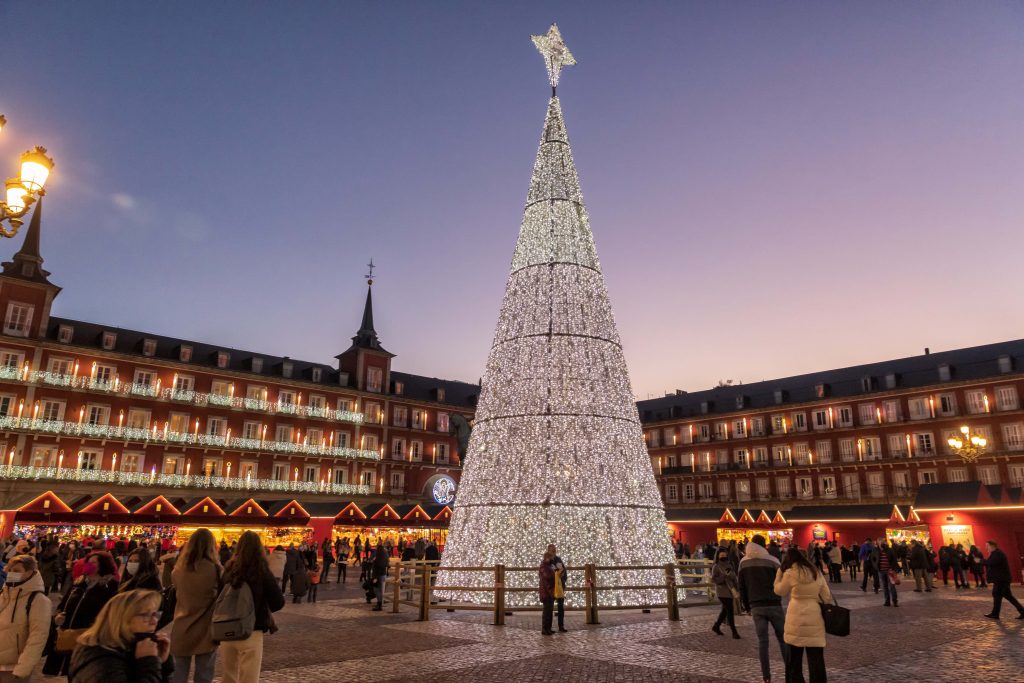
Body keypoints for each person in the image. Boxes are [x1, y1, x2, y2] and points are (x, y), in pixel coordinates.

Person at [217, 531, 284, 683]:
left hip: (227, 629)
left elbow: (219, 598)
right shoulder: (262, 571)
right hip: (251, 630)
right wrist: (259, 607)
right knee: (249, 678)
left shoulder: (229, 570)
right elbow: (278, 602)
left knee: (228, 677)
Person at [68, 588, 172, 682]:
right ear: (122, 620)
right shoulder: (103, 658)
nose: (154, 621)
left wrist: (161, 663)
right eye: (146, 615)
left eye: (156, 614)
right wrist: (149, 663)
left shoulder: (129, 649)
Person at [43, 551, 120, 677]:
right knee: (66, 671)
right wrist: (57, 618)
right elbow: (64, 604)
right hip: (67, 634)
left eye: (93, 563)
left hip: (90, 638)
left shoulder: (110, 587)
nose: (88, 565)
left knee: (82, 672)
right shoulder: (78, 583)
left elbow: (112, 613)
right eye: (88, 562)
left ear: (103, 565)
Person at [774, 547, 833, 683]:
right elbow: (827, 596)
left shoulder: (790, 573)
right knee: (816, 659)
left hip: (796, 615)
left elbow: (779, 591)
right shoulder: (816, 572)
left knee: (794, 658)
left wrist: (779, 575)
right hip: (814, 615)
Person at [170, 528, 221, 683]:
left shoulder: (178, 570)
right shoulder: (216, 569)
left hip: (182, 624)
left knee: (179, 672)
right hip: (206, 627)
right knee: (204, 673)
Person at [739, 535, 787, 683]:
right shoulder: (773, 560)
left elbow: (742, 586)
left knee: (763, 642)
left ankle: (766, 677)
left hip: (756, 606)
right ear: (763, 545)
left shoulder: (743, 562)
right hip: (774, 603)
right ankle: (790, 671)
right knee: (783, 639)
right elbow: (781, 581)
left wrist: (747, 606)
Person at [0, 554, 51, 681]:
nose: (12, 573)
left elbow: (38, 637)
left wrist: (23, 668)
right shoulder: (5, 594)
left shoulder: (38, 600)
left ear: (30, 573)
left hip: (13, 668)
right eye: (10, 570)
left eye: (17, 571)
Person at [982, 540, 1024, 620]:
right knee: (1008, 596)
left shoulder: (998, 554)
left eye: (987, 546)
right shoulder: (995, 553)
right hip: (1001, 579)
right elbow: (991, 563)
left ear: (992, 546)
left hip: (1001, 580)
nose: (986, 548)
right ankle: (1022, 611)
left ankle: (995, 614)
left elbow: (991, 563)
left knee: (997, 595)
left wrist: (980, 561)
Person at [711, 549, 741, 639]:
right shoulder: (716, 567)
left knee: (725, 610)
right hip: (722, 592)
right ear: (718, 556)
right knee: (730, 610)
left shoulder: (730, 565)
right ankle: (734, 631)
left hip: (730, 590)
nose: (723, 556)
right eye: (721, 555)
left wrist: (737, 587)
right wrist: (724, 576)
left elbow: (734, 577)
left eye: (724, 555)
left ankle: (716, 626)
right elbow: (715, 580)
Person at [546, 544, 567, 633]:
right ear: (548, 551)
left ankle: (561, 626)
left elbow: (564, 570)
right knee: (550, 607)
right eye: (552, 550)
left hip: (560, 585)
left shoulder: (558, 559)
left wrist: (563, 580)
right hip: (552, 587)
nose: (553, 552)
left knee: (561, 607)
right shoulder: (547, 561)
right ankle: (549, 627)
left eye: (554, 550)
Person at [538, 550, 555, 636]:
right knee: (546, 611)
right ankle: (545, 629)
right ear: (547, 558)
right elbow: (547, 576)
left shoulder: (549, 566)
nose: (552, 559)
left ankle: (549, 628)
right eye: (551, 558)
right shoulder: (543, 566)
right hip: (546, 591)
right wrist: (554, 573)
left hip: (550, 591)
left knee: (550, 611)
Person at [370, 544, 389, 611]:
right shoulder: (385, 556)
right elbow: (387, 565)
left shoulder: (377, 558)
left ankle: (379, 604)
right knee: (381, 590)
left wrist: (375, 577)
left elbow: (376, 568)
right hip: (383, 574)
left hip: (378, 575)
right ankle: (380, 603)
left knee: (376, 590)